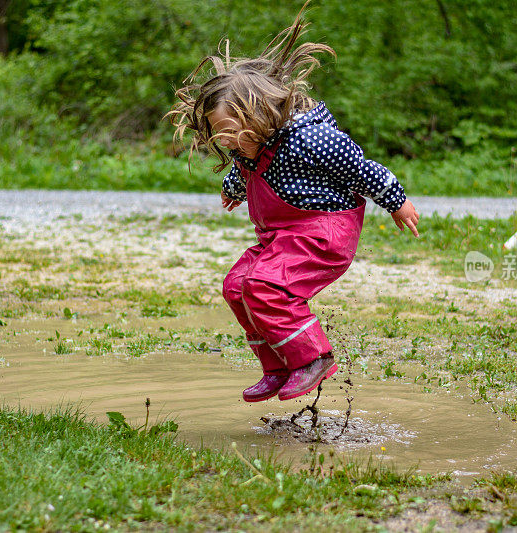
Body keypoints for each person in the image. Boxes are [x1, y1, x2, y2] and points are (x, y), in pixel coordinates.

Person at [167, 3, 418, 402]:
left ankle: (313, 357)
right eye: (219, 135)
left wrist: (396, 201)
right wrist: (234, 187)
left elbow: (362, 167)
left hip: (324, 232)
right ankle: (279, 364)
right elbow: (246, 165)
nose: (227, 143)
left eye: (232, 132)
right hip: (283, 236)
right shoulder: (250, 147)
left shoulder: (310, 139)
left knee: (266, 285)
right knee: (237, 286)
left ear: (261, 115)